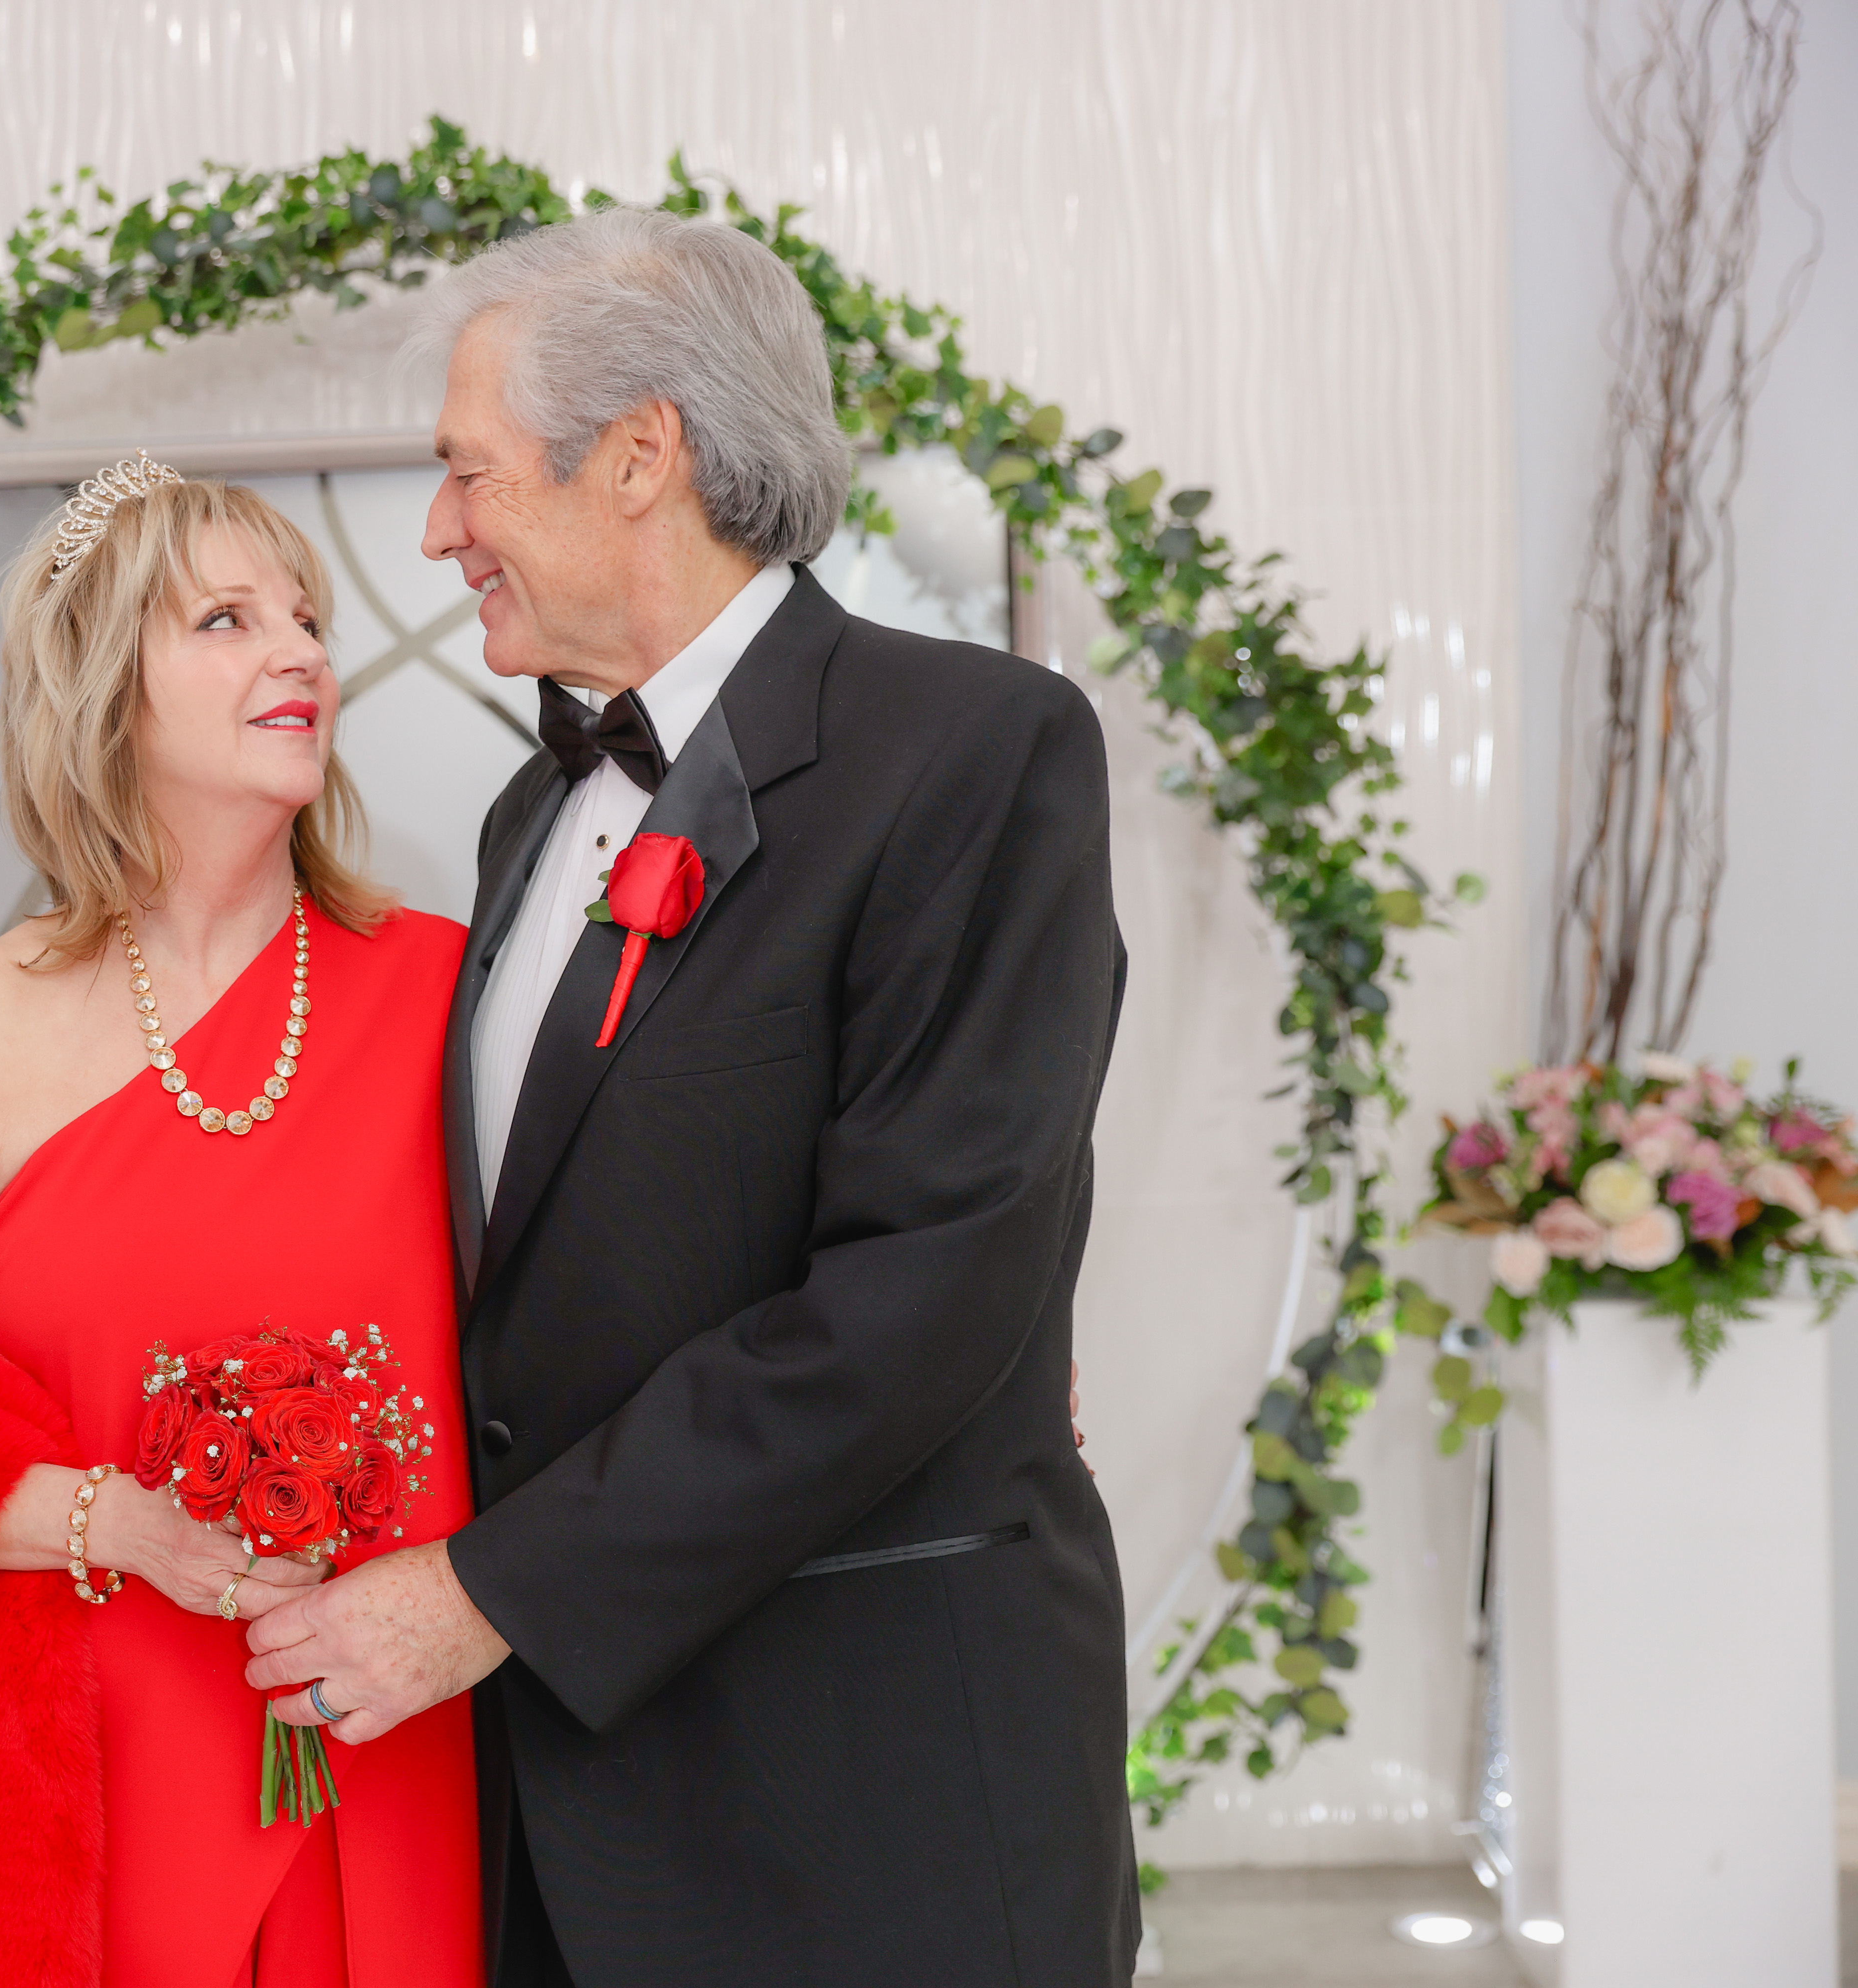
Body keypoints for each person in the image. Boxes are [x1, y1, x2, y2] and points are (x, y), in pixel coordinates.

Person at [239, 208, 1140, 1985]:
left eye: (468, 474)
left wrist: (486, 1593)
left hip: (866, 1799)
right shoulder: (530, 818)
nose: (439, 532)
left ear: (642, 453)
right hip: (564, 1814)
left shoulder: (979, 752)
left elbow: (915, 1301)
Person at [0, 460, 483, 1988]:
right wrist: (129, 1529)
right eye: (227, 621)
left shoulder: (448, 992)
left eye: (306, 617)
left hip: (403, 1750)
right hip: (105, 1789)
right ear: (106, 691)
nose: (298, 651)